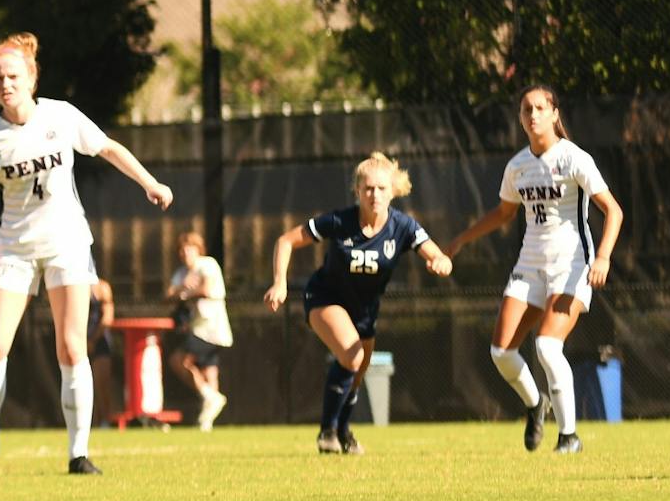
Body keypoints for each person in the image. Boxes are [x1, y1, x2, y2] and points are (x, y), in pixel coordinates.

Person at [0, 33, 174, 477]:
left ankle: (78, 453)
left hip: (66, 243)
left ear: (32, 77)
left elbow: (107, 147)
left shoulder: (59, 115)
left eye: (13, 76)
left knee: (72, 348)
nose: (5, 84)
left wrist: (150, 182)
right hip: (13, 248)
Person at [445, 86, 624, 455]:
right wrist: (462, 239)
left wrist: (603, 257)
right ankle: (534, 403)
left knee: (546, 346)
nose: (533, 115)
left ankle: (569, 436)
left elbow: (614, 211)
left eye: (541, 108)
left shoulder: (574, 158)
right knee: (500, 352)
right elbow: (503, 214)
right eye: (527, 109)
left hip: (571, 264)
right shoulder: (518, 166)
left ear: (555, 114)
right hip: (530, 264)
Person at [263, 152, 454, 454]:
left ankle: (343, 430)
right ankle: (327, 433)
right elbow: (286, 240)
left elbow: (437, 254)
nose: (374, 195)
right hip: (325, 298)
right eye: (367, 189)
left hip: (365, 311)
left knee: (356, 374)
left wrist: (441, 262)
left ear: (392, 191)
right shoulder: (341, 221)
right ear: (357, 191)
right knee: (351, 356)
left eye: (381, 188)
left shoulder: (403, 227)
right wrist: (279, 281)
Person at [166, 232, 233, 431]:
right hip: (196, 328)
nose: (185, 252)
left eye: (190, 248)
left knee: (178, 361)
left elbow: (205, 289)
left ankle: (210, 397)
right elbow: (168, 294)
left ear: (198, 249)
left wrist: (185, 293)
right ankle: (207, 421)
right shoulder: (181, 274)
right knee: (208, 372)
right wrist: (180, 289)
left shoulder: (208, 264)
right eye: (182, 249)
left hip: (212, 330)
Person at [88, 277, 116, 430]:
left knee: (101, 383)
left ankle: (105, 421)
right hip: (79, 342)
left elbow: (107, 318)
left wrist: (93, 340)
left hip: (99, 341)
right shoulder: (72, 285)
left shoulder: (102, 287)